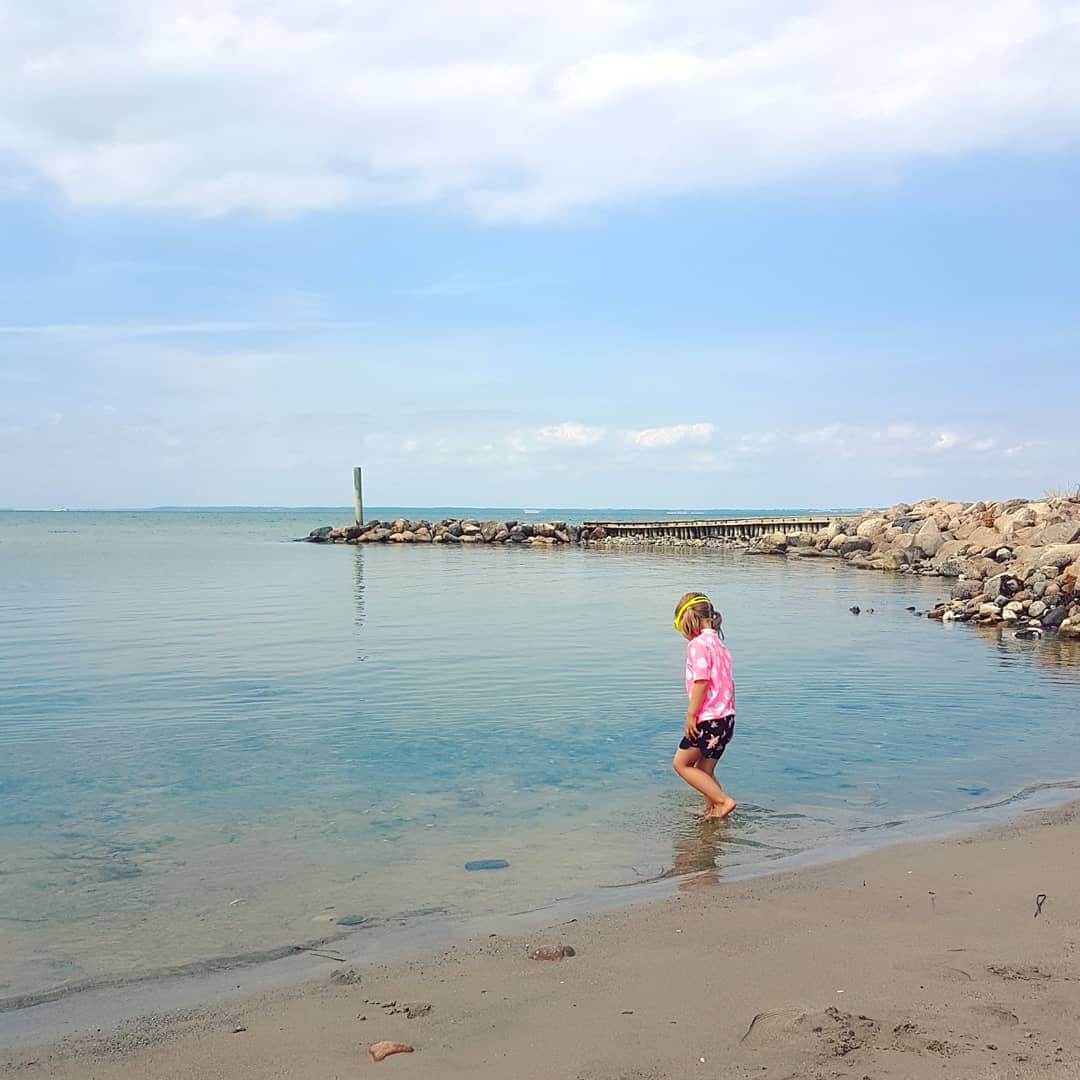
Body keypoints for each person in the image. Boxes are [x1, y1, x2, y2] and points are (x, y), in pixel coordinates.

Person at [671, 592, 737, 820]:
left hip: (708, 718)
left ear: (689, 619)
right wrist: (729, 712)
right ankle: (714, 810)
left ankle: (722, 801)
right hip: (726, 717)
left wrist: (691, 715)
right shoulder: (720, 645)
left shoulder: (698, 645)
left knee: (681, 764)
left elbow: (701, 681)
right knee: (704, 770)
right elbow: (730, 684)